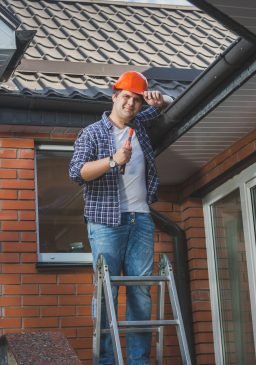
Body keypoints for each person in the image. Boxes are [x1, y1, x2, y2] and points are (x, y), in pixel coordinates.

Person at [69, 71, 173, 365]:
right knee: (107, 292)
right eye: (125, 96)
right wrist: (114, 160)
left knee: (141, 293)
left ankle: (139, 361)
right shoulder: (92, 133)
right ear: (114, 97)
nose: (130, 103)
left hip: (140, 219)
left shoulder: (139, 124)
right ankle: (107, 360)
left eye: (137, 100)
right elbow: (77, 172)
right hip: (105, 221)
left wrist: (159, 98)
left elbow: (171, 103)